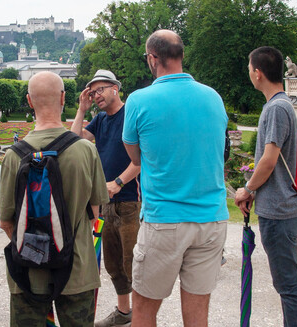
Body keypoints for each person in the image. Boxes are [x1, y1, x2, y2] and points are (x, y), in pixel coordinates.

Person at [122, 30, 228, 327]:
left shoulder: (139, 100)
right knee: (197, 315)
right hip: (211, 220)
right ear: (181, 55)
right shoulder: (213, 97)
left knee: (143, 310)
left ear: (153, 58)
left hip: (165, 220)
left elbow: (136, 157)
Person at [0, 71, 109, 326]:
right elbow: (96, 212)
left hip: (27, 270)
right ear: (63, 98)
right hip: (76, 267)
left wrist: (37, 248)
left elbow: (6, 222)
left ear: (28, 101)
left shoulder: (14, 156)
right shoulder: (85, 150)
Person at [235, 46, 297, 327]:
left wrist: (248, 189)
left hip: (280, 210)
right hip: (280, 207)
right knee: (287, 285)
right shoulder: (279, 105)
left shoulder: (277, 108)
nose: (249, 73)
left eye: (249, 68)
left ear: (258, 73)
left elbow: (269, 160)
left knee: (288, 286)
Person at [71, 69, 141, 327]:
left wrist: (119, 182)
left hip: (130, 201)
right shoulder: (100, 120)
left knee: (133, 262)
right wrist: (81, 108)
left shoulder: (130, 115)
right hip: (105, 204)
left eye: (100, 89)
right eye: (92, 91)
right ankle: (124, 313)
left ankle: (142, 317)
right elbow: (74, 140)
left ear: (116, 88)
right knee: (113, 264)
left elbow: (142, 158)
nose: (96, 95)